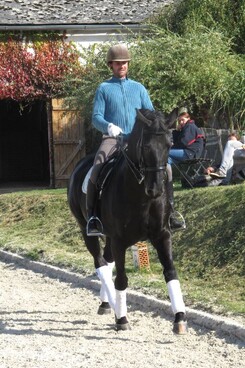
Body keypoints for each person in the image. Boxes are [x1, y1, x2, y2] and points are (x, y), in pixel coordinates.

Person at [86, 43, 184, 236]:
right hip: (113, 139)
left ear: (128, 64)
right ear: (111, 65)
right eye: (117, 63)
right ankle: (93, 217)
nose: (121, 66)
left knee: (169, 169)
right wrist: (109, 127)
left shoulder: (139, 88)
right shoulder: (103, 88)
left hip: (139, 141)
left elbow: (152, 114)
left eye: (124, 63)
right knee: (97, 166)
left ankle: (170, 214)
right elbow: (96, 117)